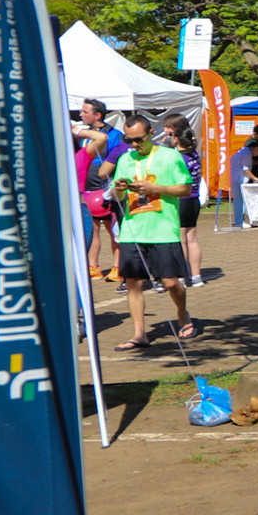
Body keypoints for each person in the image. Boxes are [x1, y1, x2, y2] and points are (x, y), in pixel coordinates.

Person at [111, 116, 196, 350]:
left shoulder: (170, 156)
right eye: (129, 140)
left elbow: (186, 188)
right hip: (132, 230)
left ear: (151, 133)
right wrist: (118, 189)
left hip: (162, 230)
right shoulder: (126, 158)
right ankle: (139, 334)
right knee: (133, 284)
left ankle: (182, 312)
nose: (134, 145)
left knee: (170, 283)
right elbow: (115, 196)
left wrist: (155, 188)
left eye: (138, 139)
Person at [76, 100, 126, 280]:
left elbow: (119, 160)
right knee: (93, 229)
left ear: (97, 115)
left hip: (106, 189)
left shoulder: (114, 135)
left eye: (84, 111)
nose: (81, 115)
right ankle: (93, 266)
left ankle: (117, 267)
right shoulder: (85, 136)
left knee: (113, 228)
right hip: (88, 191)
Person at [158, 113, 205, 287]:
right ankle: (196, 276)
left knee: (181, 238)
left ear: (176, 136)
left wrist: (166, 149)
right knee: (191, 238)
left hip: (182, 200)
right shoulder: (194, 154)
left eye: (169, 130)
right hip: (194, 200)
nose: (165, 133)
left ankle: (181, 277)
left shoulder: (177, 157)